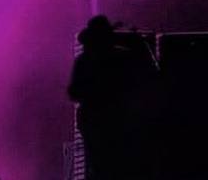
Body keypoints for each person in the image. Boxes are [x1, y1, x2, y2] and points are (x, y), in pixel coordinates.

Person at [68, 15, 158, 180]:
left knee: (100, 167)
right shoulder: (122, 57)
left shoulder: (85, 60)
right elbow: (147, 78)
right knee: (116, 165)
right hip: (116, 121)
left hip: (99, 121)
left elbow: (73, 92)